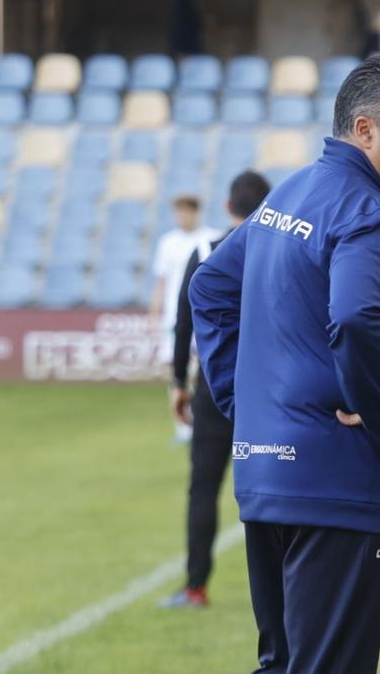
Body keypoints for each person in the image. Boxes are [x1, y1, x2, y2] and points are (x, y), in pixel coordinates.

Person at [188, 54, 380, 673]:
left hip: (268, 479)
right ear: (364, 129)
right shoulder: (371, 217)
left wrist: (243, 403)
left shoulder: (293, 190)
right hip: (337, 483)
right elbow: (357, 319)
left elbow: (209, 287)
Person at [159, 170, 272, 609]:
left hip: (215, 383)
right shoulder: (280, 247)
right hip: (268, 388)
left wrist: (176, 383)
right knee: (269, 487)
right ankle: (280, 590)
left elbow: (183, 322)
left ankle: (195, 586)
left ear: (228, 207)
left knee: (203, 487)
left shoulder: (206, 249)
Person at [151, 196, 216, 444]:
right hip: (176, 315)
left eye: (188, 212)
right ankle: (182, 427)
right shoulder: (168, 242)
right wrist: (155, 308)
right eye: (179, 212)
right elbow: (162, 279)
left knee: (200, 368)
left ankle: (200, 417)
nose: (183, 217)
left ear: (196, 212)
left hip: (200, 313)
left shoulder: (208, 239)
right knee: (176, 369)